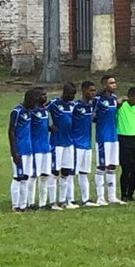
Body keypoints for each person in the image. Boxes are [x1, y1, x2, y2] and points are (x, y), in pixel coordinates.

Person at [93, 74, 126, 205]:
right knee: (101, 166)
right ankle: (100, 197)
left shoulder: (113, 99)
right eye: (111, 83)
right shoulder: (98, 99)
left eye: (115, 82)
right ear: (104, 85)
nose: (114, 85)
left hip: (113, 136)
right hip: (103, 137)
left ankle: (112, 196)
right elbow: (93, 115)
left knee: (112, 166)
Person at [48, 82, 79, 210]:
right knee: (54, 172)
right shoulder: (54, 103)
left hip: (69, 142)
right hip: (57, 142)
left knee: (66, 172)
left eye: (74, 94)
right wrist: (47, 126)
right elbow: (40, 111)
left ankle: (63, 201)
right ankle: (52, 202)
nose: (72, 96)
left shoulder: (73, 105)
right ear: (64, 92)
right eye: (70, 94)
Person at [72, 81, 100, 207]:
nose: (93, 93)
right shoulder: (76, 106)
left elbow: (93, 119)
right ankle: (70, 199)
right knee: (72, 173)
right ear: (83, 91)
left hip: (87, 144)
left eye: (94, 90)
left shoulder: (91, 107)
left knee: (84, 173)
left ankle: (85, 199)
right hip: (76, 143)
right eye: (90, 90)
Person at [8, 89, 36, 212]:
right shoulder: (16, 112)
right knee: (17, 178)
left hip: (28, 150)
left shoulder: (29, 112)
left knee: (26, 177)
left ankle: (23, 205)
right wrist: (14, 152)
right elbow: (11, 131)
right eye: (34, 102)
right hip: (19, 150)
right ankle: (15, 205)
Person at [28, 87, 53, 210]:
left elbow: (44, 126)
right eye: (42, 95)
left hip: (45, 147)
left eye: (46, 95)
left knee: (45, 175)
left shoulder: (45, 111)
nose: (45, 97)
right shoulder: (32, 112)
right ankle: (30, 202)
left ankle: (43, 202)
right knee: (33, 176)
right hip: (35, 148)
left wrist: (50, 128)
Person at [117, 86, 135, 201]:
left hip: (133, 138)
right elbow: (116, 103)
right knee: (126, 168)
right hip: (122, 138)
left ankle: (131, 193)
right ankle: (124, 193)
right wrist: (121, 100)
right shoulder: (122, 105)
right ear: (130, 97)